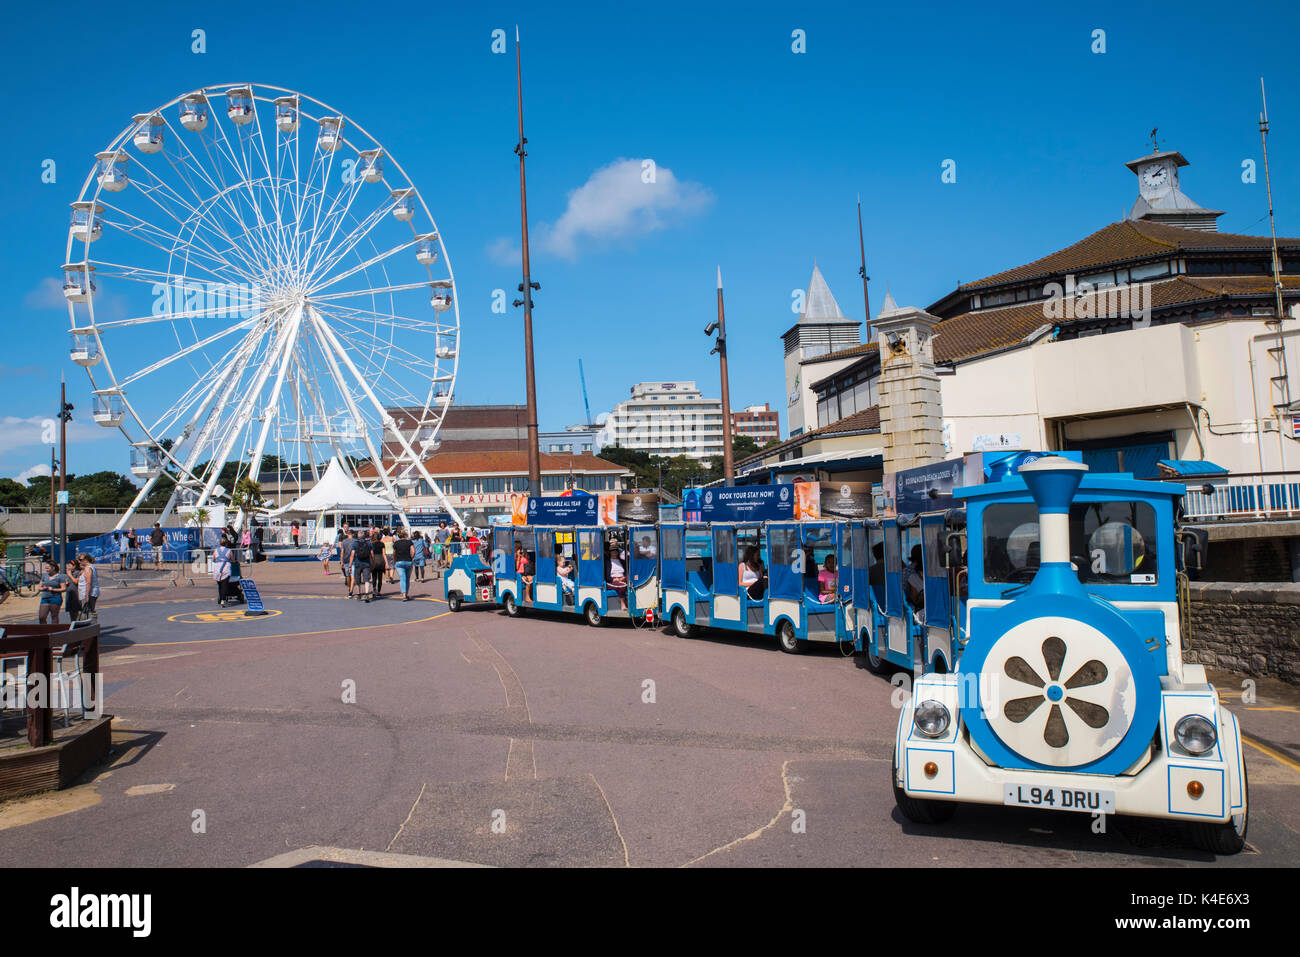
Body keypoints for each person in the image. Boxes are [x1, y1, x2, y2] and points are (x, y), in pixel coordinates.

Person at [352, 532, 374, 603]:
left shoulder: (355, 544)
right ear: (364, 536)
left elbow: (352, 555)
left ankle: (359, 594)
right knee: (366, 579)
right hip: (366, 563)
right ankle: (367, 594)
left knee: (357, 579)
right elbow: (372, 554)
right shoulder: (369, 543)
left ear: (358, 536)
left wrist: (350, 564)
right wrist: (372, 562)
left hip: (357, 563)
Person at [211, 537, 234, 606]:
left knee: (219, 585)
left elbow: (213, 559)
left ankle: (221, 597)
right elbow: (232, 559)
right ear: (226, 543)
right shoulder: (229, 550)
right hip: (225, 567)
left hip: (217, 568)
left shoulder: (215, 550)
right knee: (225, 584)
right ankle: (223, 599)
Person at [394, 530, 414, 601]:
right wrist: (411, 557)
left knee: (402, 578)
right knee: (407, 579)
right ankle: (406, 594)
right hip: (408, 561)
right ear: (405, 535)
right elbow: (413, 551)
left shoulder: (396, 543)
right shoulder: (409, 542)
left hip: (399, 561)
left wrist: (395, 559)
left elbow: (394, 553)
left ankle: (404, 594)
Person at [78, 553, 100, 620]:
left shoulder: (88, 568)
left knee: (89, 612)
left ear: (86, 560)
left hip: (90, 593)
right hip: (92, 592)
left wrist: (87, 595)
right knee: (89, 611)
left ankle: (91, 626)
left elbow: (88, 582)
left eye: (80, 559)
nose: (79, 561)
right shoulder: (90, 567)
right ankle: (92, 626)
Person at [340, 529, 358, 597]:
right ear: (353, 534)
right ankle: (351, 591)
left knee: (347, 575)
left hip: (346, 559)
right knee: (352, 576)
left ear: (347, 534)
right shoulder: (355, 541)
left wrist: (341, 561)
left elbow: (342, 552)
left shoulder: (344, 541)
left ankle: (349, 588)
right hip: (354, 559)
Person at [370, 531, 387, 598]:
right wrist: (386, 563)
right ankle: (379, 591)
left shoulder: (371, 544)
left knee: (374, 577)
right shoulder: (382, 544)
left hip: (374, 560)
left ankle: (374, 590)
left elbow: (371, 554)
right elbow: (384, 553)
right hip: (381, 560)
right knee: (380, 577)